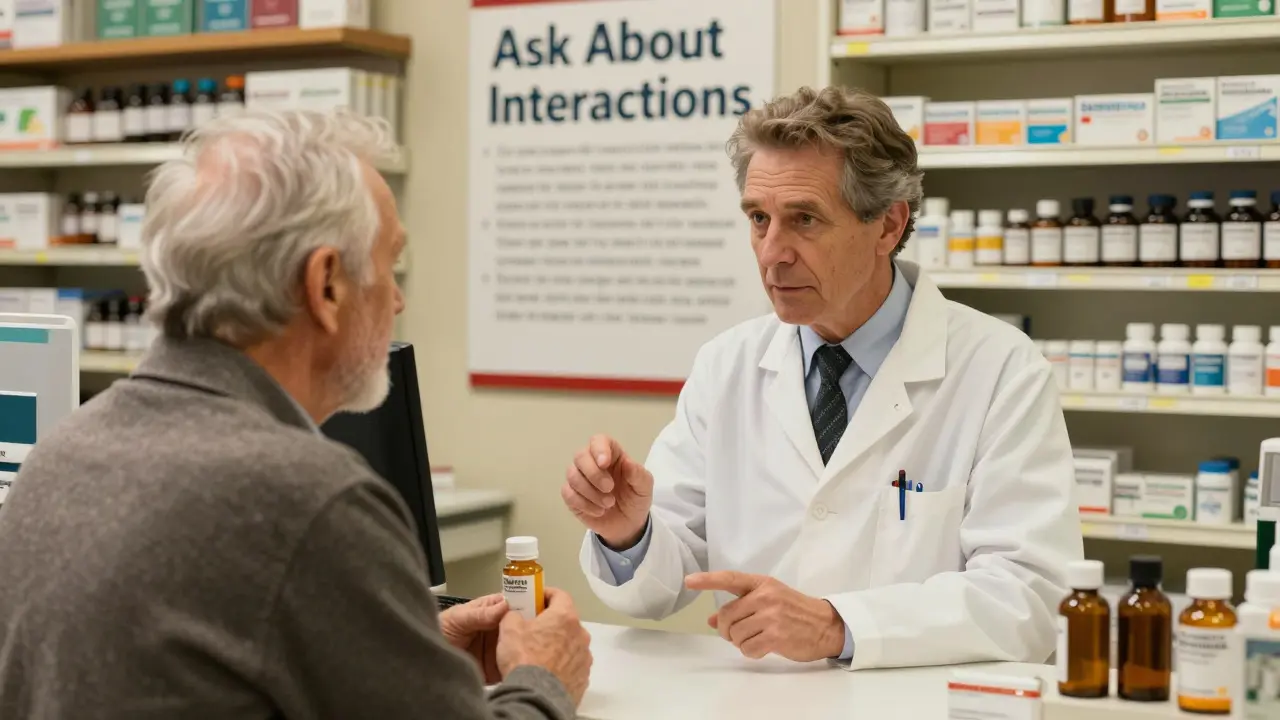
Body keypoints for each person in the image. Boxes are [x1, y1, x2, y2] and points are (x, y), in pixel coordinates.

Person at [0, 110, 591, 719]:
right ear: (326, 284)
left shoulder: (55, 460)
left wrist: (408, 656)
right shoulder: (311, 501)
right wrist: (544, 678)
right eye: (388, 266)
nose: (396, 299)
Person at [561, 86, 1084, 671]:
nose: (772, 254)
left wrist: (839, 625)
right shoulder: (726, 364)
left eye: (804, 220)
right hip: (756, 700)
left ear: (888, 226)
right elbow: (663, 582)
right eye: (759, 219)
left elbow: (1031, 596)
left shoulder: (1000, 370)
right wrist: (628, 533)